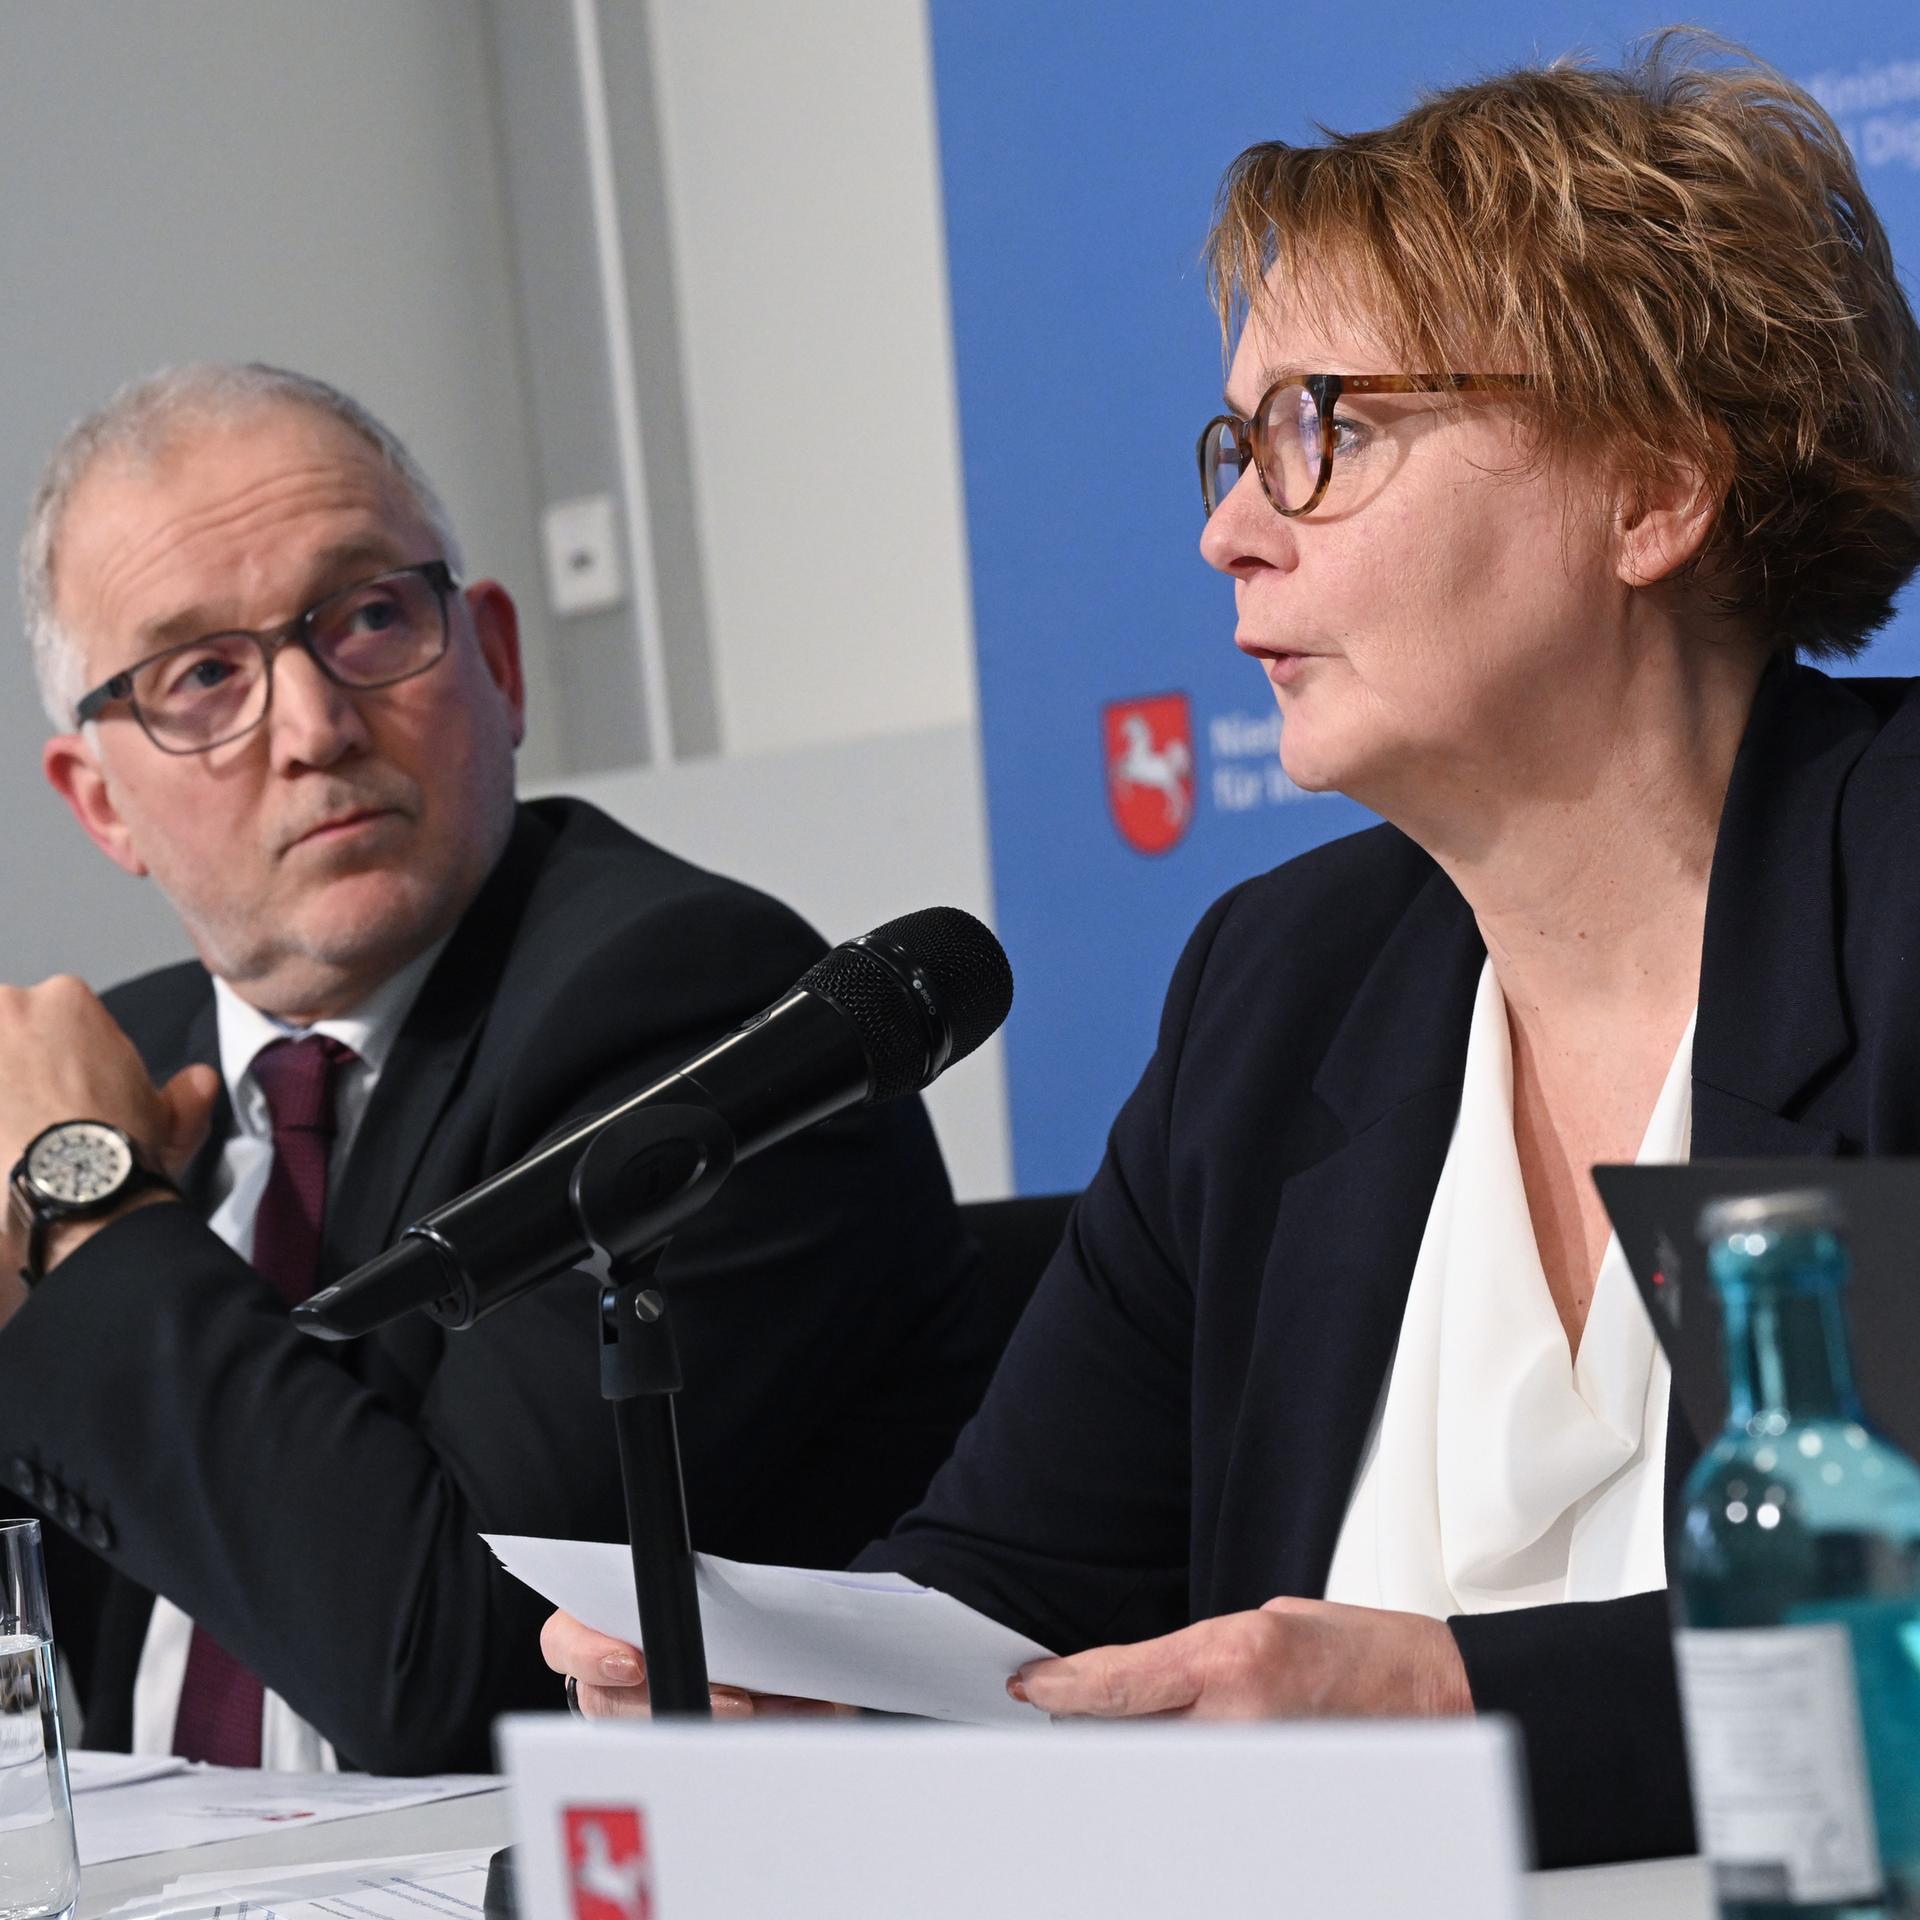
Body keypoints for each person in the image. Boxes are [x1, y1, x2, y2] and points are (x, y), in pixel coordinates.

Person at [541, 34, 1920, 1869]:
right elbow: (1021, 1576)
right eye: (1240, 441)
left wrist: (1455, 1710)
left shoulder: (1898, 906)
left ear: (1653, 493)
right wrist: (818, 1685)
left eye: (1322, 429)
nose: (1226, 532)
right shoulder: (1285, 988)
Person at [0, 364, 997, 1773]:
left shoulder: (688, 1008)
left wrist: (89, 1217)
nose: (313, 727)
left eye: (366, 618)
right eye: (203, 676)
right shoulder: (115, 1066)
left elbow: (439, 1664)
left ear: (499, 663)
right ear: (101, 800)